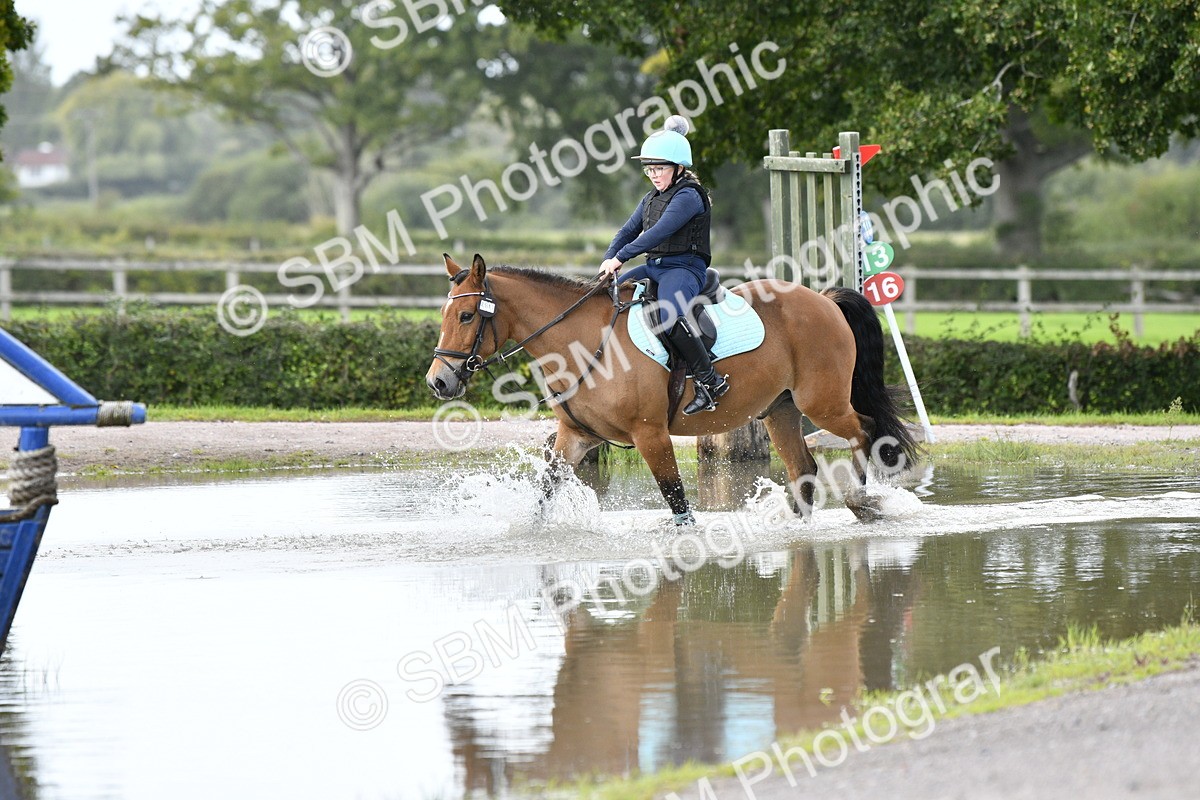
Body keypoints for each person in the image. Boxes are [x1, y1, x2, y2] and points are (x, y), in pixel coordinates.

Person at [598, 115, 730, 415]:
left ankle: (710, 382)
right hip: (655, 266)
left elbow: (660, 232)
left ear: (679, 168)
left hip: (684, 268)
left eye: (659, 168)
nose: (654, 175)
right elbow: (628, 230)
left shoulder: (689, 197)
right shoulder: (651, 197)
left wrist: (623, 257)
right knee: (609, 297)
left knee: (668, 316)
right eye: (649, 169)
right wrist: (609, 259)